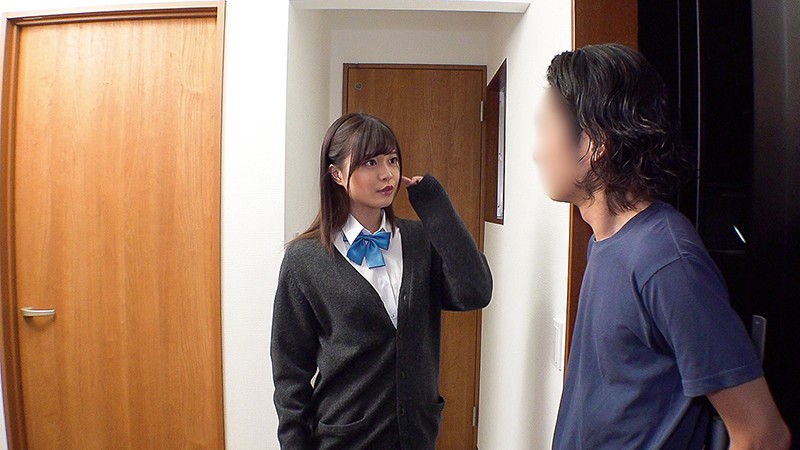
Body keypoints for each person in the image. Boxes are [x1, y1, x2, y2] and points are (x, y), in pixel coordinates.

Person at [534, 43, 792, 449]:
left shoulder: (665, 259)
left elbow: (763, 434)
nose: (537, 153)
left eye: (545, 129)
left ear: (593, 145)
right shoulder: (604, 242)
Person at [271, 112, 492, 449]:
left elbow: (476, 291)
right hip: (343, 438)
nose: (387, 173)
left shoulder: (420, 242)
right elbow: (290, 373)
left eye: (392, 160)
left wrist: (435, 206)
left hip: (416, 437)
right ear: (336, 174)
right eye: (370, 162)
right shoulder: (305, 260)